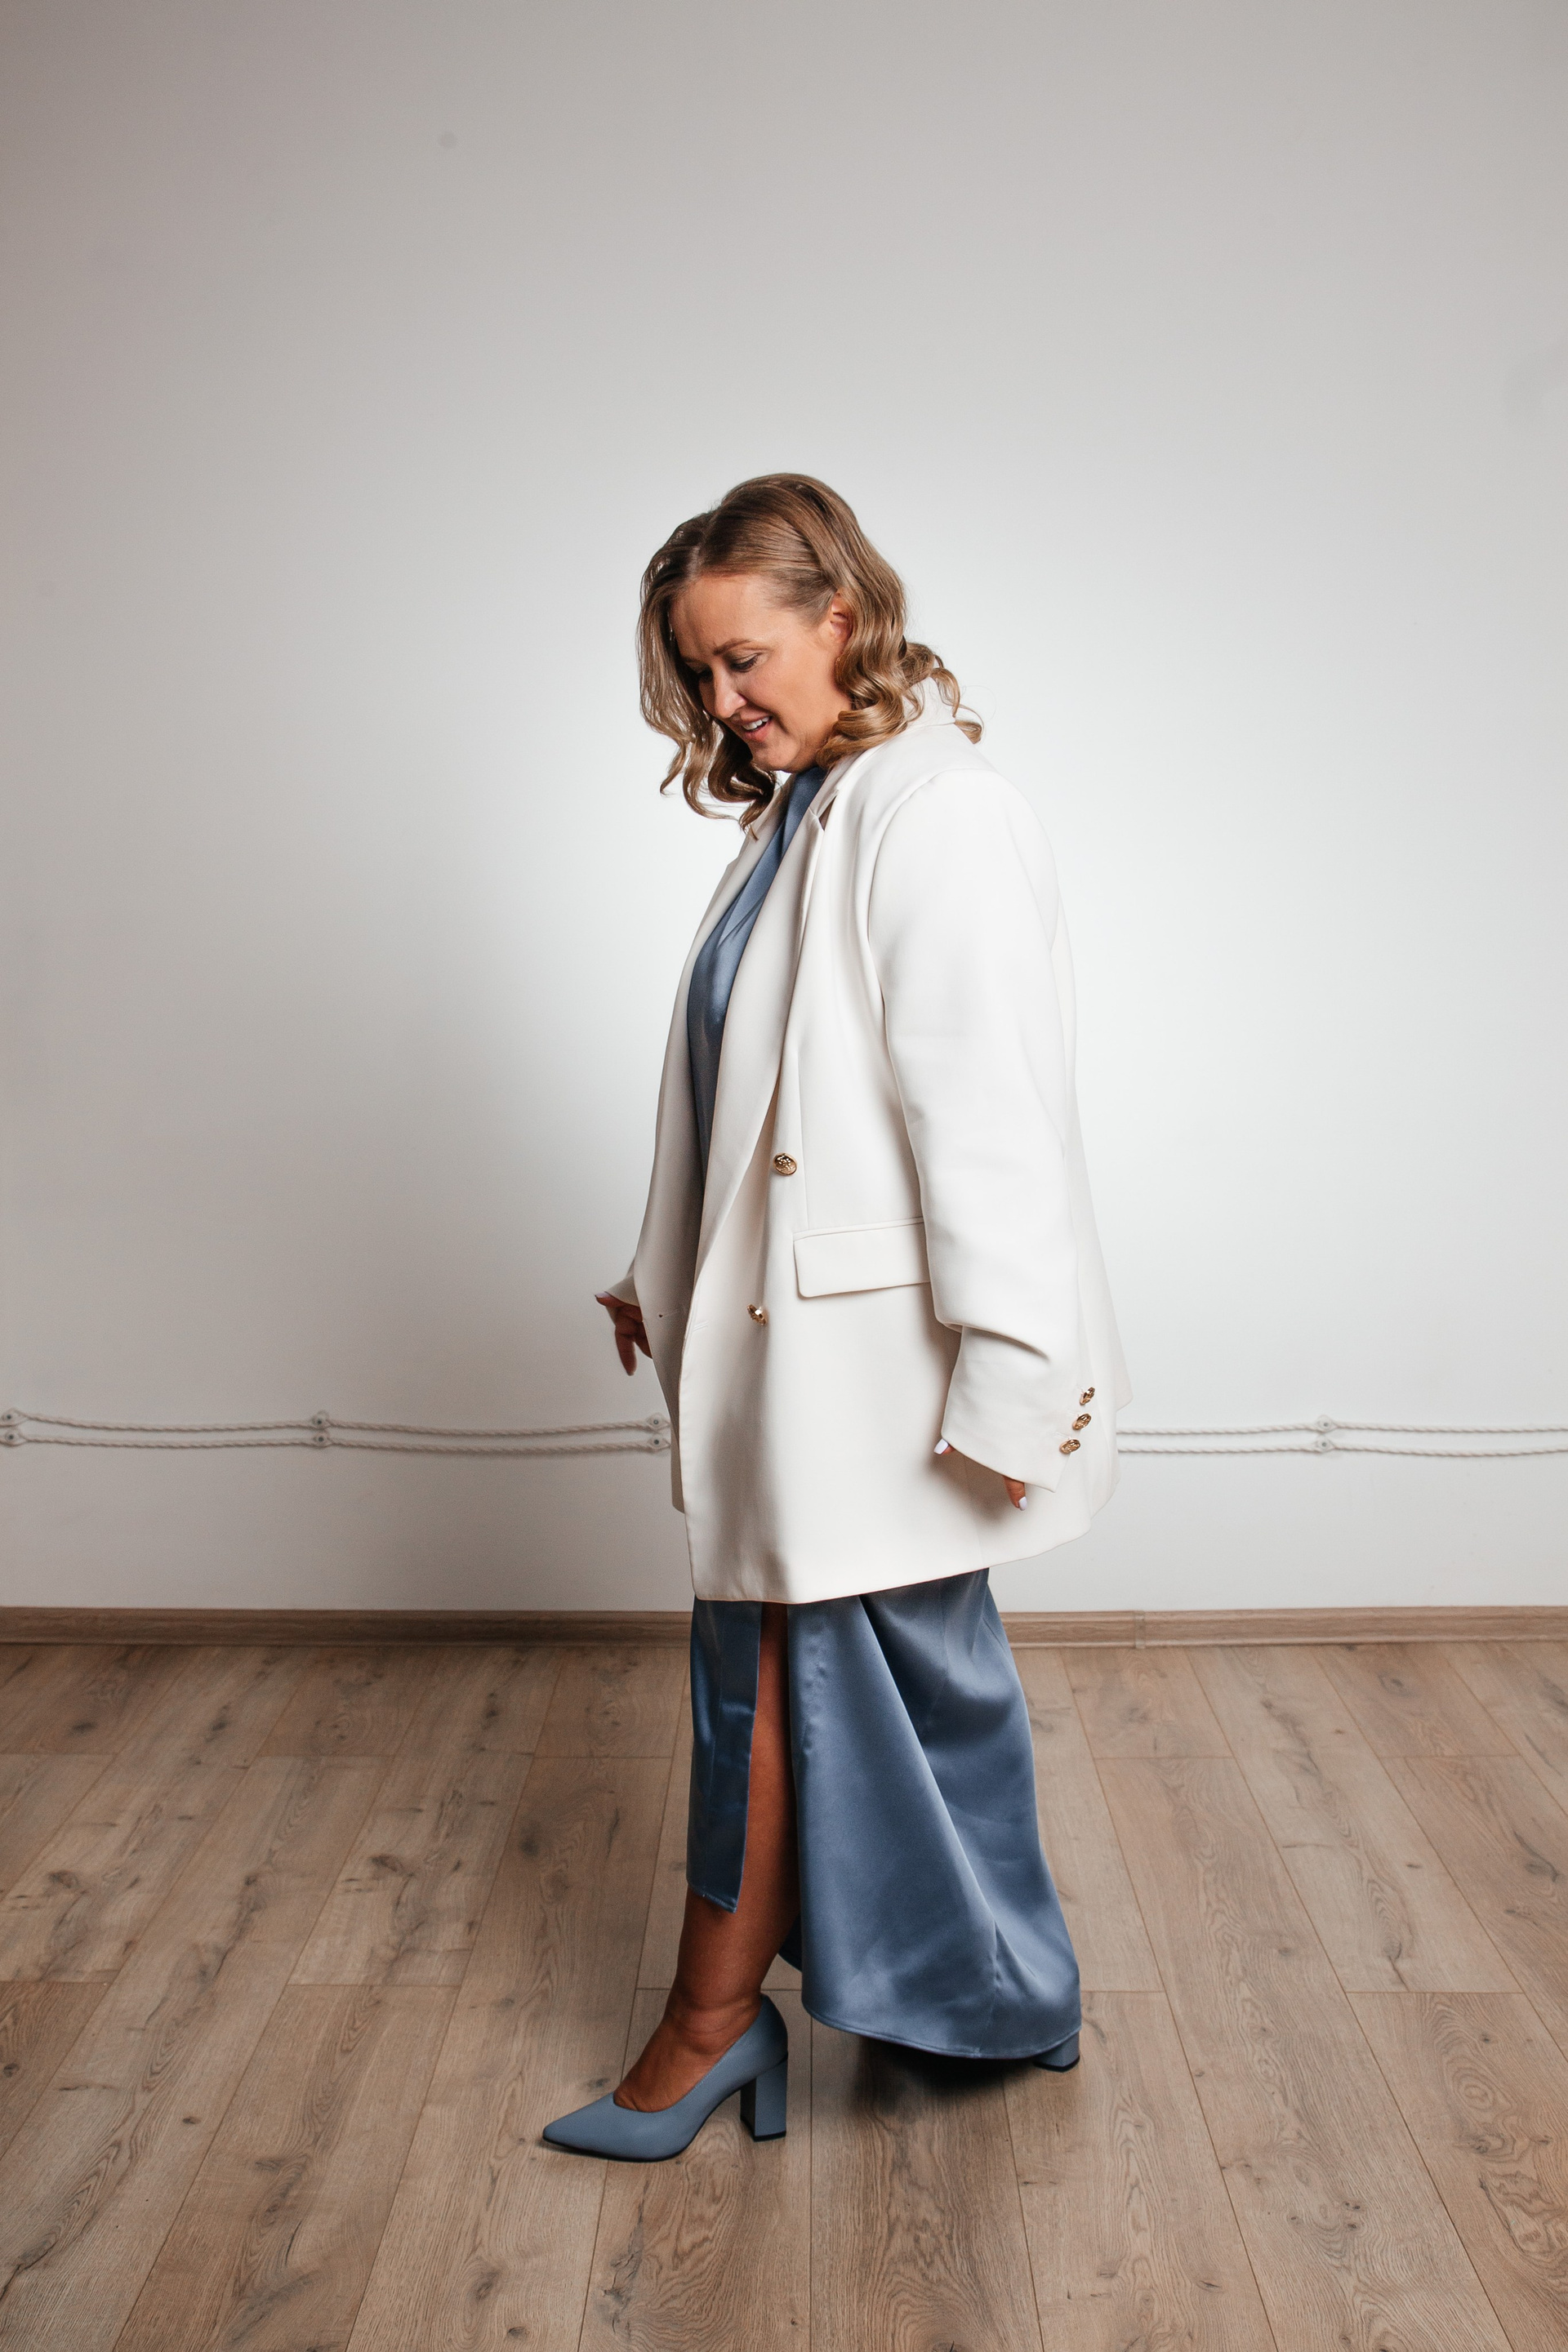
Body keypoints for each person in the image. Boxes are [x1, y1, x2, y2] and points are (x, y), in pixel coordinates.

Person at [543, 475, 1127, 2162]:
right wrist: (667, 1261)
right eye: (699, 673)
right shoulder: (807, 811)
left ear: (842, 618)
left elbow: (992, 1125)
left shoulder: (935, 813)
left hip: (878, 1371)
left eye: (743, 659)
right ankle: (978, 1998)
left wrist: (1014, 1388)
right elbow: (751, 1085)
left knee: (826, 1686)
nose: (722, 700)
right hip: (802, 1351)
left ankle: (715, 2027)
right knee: (861, 1690)